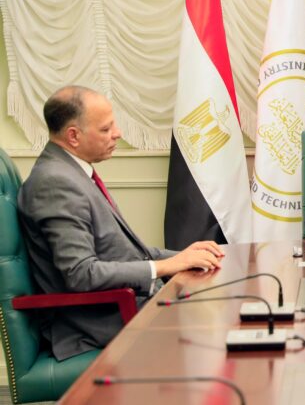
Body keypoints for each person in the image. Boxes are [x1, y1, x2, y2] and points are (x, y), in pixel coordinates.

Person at [17, 85, 223, 361]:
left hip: (125, 305)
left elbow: (124, 252)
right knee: (221, 326)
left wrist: (185, 257)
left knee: (223, 304)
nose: (118, 133)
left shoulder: (72, 172)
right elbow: (81, 273)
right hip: (96, 322)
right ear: (73, 136)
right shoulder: (55, 183)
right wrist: (165, 266)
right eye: (106, 129)